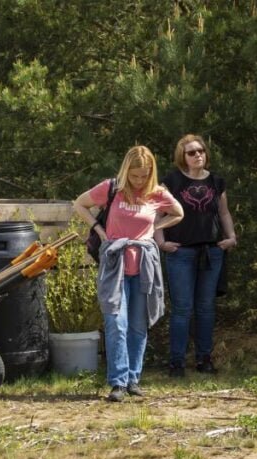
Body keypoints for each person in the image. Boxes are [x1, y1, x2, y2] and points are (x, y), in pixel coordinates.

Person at [73, 145, 183, 402]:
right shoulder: (111, 189)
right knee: (115, 322)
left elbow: (178, 213)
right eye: (134, 176)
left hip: (144, 266)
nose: (139, 181)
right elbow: (79, 204)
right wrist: (99, 231)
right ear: (126, 172)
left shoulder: (157, 193)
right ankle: (118, 382)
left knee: (138, 325)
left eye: (144, 175)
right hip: (116, 266)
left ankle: (133, 378)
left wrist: (156, 227)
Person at [159, 134, 237, 377]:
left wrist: (231, 237)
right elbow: (157, 215)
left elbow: (223, 213)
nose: (197, 155)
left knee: (205, 308)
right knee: (182, 309)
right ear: (182, 156)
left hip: (211, 252)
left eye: (201, 151)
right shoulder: (171, 181)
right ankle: (177, 362)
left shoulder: (216, 181)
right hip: (180, 252)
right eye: (191, 152)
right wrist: (161, 242)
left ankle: (204, 359)